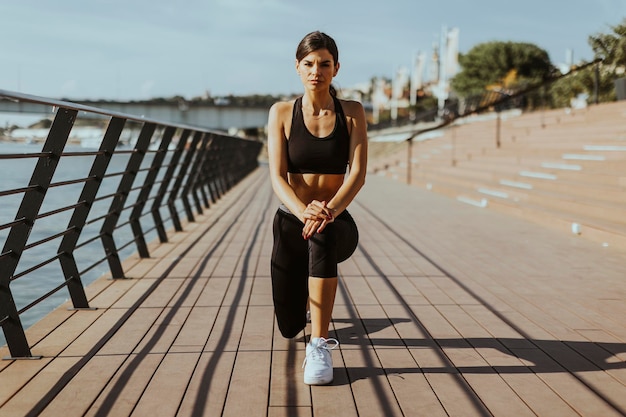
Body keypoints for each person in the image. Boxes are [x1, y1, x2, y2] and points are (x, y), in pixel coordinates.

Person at [267, 31, 368, 385]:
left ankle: (319, 343)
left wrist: (327, 211)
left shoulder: (352, 112)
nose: (316, 71)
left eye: (324, 64)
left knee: (322, 237)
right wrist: (302, 211)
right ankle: (305, 321)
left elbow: (357, 174)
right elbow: (278, 177)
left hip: (336, 219)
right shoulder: (281, 113)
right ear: (297, 67)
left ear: (336, 68)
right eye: (309, 64)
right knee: (288, 325)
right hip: (291, 222)